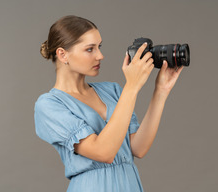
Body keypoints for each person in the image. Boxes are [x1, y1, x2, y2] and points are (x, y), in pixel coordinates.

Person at [34, 15, 183, 192]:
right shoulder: (49, 105)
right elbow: (103, 152)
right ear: (62, 54)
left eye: (99, 47)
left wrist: (161, 91)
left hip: (130, 184)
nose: (100, 55)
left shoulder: (111, 91)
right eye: (90, 49)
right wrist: (132, 86)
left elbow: (138, 148)